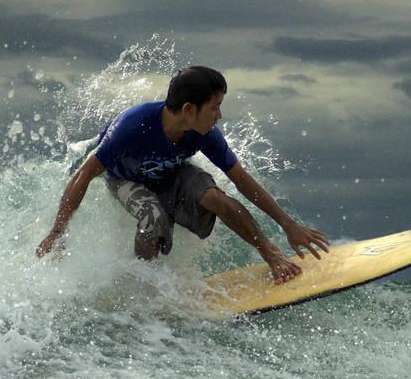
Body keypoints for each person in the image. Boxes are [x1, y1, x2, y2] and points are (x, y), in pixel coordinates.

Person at [35, 65, 329, 284]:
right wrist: (57, 233)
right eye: (215, 108)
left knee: (215, 197)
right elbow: (85, 174)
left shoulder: (204, 134)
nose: (219, 116)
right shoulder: (133, 127)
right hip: (126, 179)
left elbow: (241, 179)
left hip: (172, 174)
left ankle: (271, 254)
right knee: (153, 217)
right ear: (189, 109)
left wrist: (289, 225)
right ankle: (146, 284)